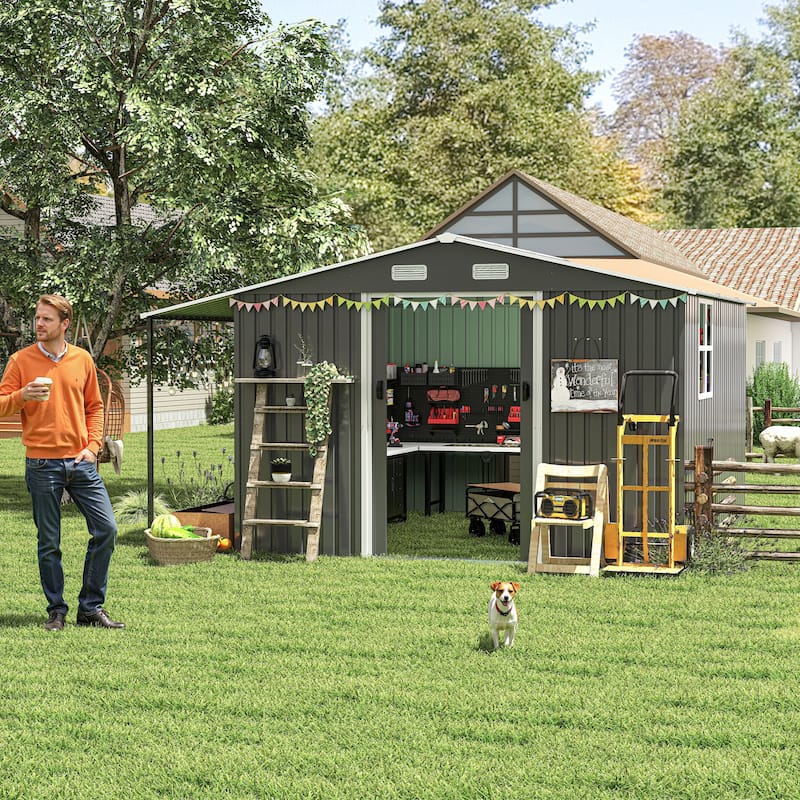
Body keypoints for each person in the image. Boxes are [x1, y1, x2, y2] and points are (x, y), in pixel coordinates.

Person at [0, 294, 124, 631]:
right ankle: (56, 611)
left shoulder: (82, 359)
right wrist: (22, 395)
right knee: (49, 542)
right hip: (42, 464)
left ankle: (90, 608)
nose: (39, 324)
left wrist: (93, 447)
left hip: (81, 462)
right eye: (38, 318)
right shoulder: (20, 361)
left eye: (47, 319)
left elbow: (95, 406)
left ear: (65, 324)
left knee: (107, 530)